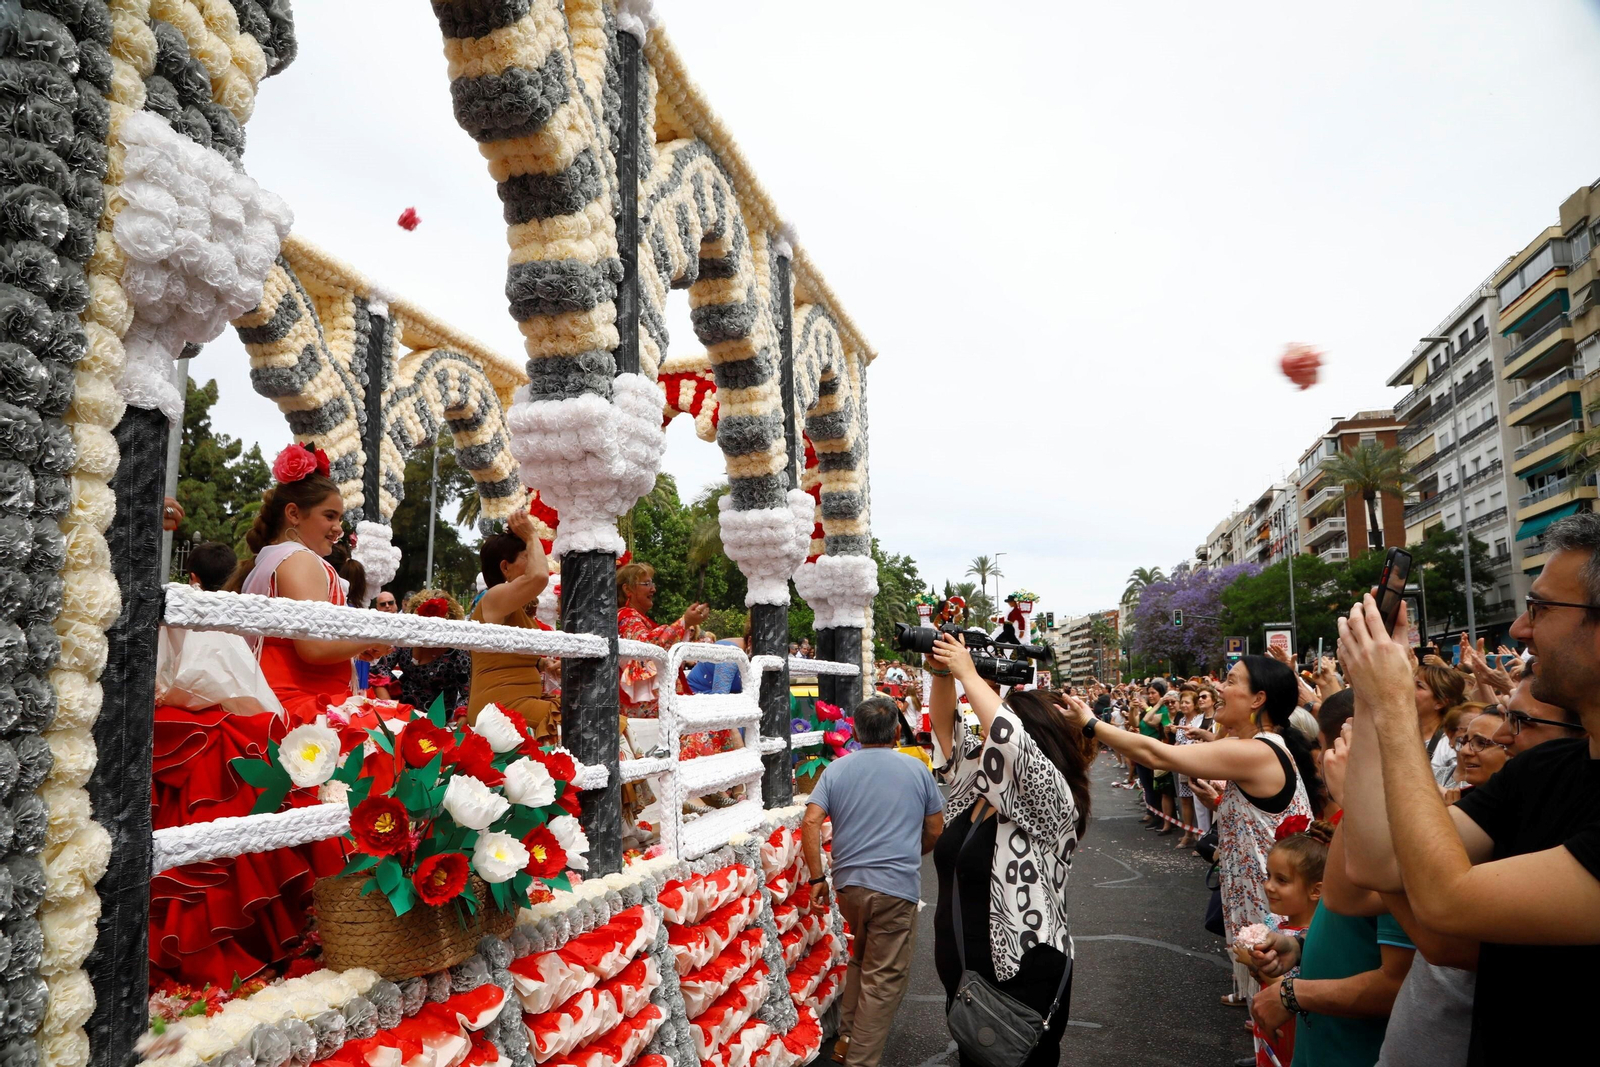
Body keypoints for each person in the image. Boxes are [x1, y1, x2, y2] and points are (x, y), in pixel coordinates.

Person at [1336, 514, 1600, 1065]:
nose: (1521, 630)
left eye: (1541, 608)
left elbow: (1445, 903)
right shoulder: (1546, 768)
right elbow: (1377, 861)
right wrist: (1368, 688)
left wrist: (1394, 705)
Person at [1082, 656, 1318, 1019]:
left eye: (1231, 681)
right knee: (1270, 1014)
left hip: (1274, 913)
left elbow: (1155, 753)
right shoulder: (1260, 746)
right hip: (1266, 906)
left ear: (1258, 699)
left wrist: (1089, 723)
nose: (1220, 687)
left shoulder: (1258, 750)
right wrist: (1221, 802)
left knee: (1284, 1019)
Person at [929, 634, 1091, 1067]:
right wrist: (943, 671)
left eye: (993, 726)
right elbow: (945, 732)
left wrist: (969, 672)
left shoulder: (1052, 798)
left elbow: (1010, 737)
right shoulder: (979, 786)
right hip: (967, 977)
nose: (986, 732)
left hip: (1021, 978)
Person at [802, 696, 943, 1067]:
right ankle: (860, 1060)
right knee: (884, 978)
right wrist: (910, 851)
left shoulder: (836, 770)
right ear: (896, 732)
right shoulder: (917, 769)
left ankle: (848, 1040)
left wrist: (817, 876)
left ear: (856, 733)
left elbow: (811, 821)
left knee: (862, 959)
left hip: (849, 887)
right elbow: (935, 829)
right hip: (895, 889)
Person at [224, 443, 389, 723]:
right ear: (294, 514)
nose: (338, 528)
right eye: (329, 516)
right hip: (303, 705)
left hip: (286, 699)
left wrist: (357, 646)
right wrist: (375, 636)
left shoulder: (270, 558)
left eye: (339, 518)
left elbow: (293, 644)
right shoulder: (299, 559)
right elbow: (314, 649)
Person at [1251, 819, 1332, 1067]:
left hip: (1293, 1031)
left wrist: (1260, 969)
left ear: (1316, 890)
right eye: (1268, 876)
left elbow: (1292, 990)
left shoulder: (1317, 938)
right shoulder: (1274, 922)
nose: (1268, 886)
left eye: (1282, 880)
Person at [468, 509, 555, 737]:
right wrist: (532, 535)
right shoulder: (493, 596)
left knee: (592, 714)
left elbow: (505, 658)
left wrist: (543, 664)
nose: (536, 562)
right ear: (505, 567)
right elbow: (539, 577)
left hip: (520, 702)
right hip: (500, 708)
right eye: (528, 557)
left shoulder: (514, 606)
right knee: (588, 720)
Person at [373, 591, 473, 713]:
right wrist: (389, 706)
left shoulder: (458, 653)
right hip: (400, 713)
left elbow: (467, 696)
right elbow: (380, 668)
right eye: (424, 623)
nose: (429, 628)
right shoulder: (407, 641)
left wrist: (458, 722)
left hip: (435, 719)